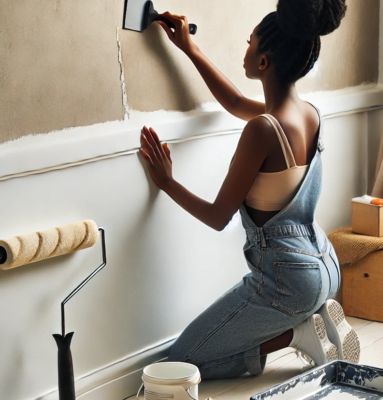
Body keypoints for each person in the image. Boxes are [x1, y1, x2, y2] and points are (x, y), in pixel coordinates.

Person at [138, 0, 360, 380]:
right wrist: (189, 50)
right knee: (192, 358)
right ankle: (312, 313)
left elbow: (217, 216)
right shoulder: (308, 114)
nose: (246, 47)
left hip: (287, 281)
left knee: (176, 365)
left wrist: (166, 182)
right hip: (323, 264)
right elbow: (236, 102)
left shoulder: (263, 130)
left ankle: (298, 331)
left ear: (263, 63)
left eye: (249, 42)